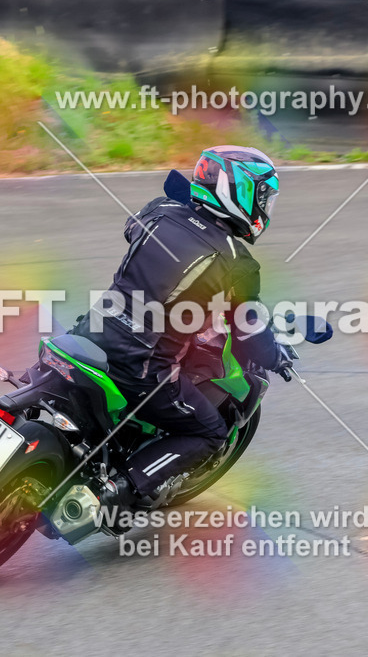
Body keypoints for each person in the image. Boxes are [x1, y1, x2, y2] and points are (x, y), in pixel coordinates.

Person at [73, 145, 290, 511]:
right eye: (263, 198)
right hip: (143, 369)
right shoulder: (238, 263)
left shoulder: (159, 210)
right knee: (210, 432)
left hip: (88, 334)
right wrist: (275, 355)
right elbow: (248, 330)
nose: (264, 208)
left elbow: (133, 232)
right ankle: (119, 486)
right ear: (240, 193)